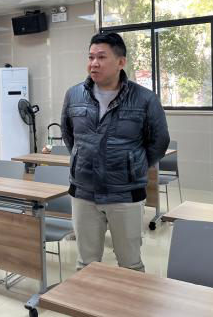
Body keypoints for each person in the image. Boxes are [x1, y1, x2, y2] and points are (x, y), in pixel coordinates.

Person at [61, 32, 169, 272]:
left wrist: (134, 166)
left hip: (125, 194)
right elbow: (69, 135)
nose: (94, 63)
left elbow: (159, 141)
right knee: (86, 265)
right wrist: (82, 159)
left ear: (121, 62)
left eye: (101, 57)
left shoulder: (145, 99)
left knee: (130, 265)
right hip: (84, 192)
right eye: (90, 57)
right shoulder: (74, 95)